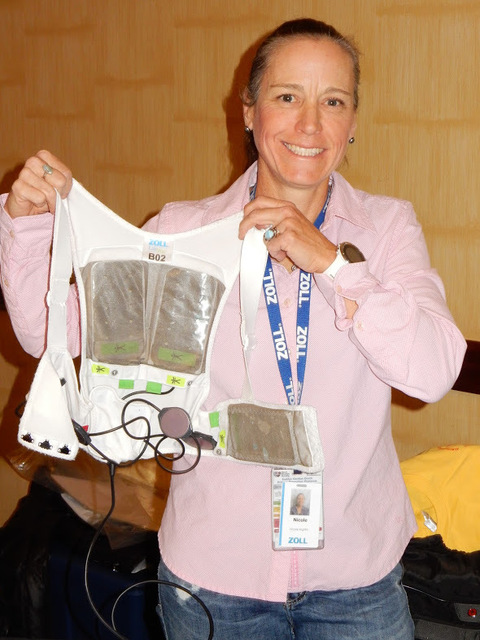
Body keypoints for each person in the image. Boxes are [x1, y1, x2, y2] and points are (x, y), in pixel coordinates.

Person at [0, 17, 466, 640]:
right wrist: (29, 226)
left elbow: (434, 372)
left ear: (353, 122)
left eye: (333, 102)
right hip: (213, 582)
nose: (310, 124)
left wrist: (333, 264)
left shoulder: (385, 230)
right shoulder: (184, 232)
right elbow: (49, 333)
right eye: (287, 96)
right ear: (248, 112)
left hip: (356, 580)